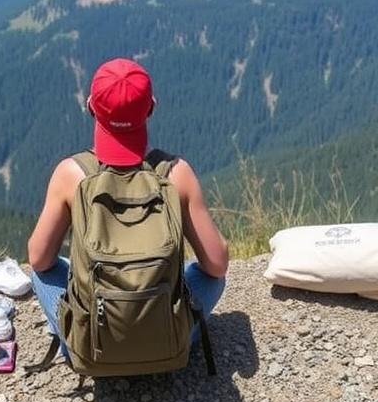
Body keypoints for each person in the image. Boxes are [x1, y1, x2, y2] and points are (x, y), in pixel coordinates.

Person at [27, 57, 229, 363]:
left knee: (43, 273)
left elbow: (39, 259)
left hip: (91, 350)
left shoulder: (71, 174)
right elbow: (217, 265)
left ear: (91, 106)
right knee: (208, 277)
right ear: (150, 107)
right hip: (167, 344)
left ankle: (82, 344)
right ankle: (167, 338)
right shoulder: (177, 174)